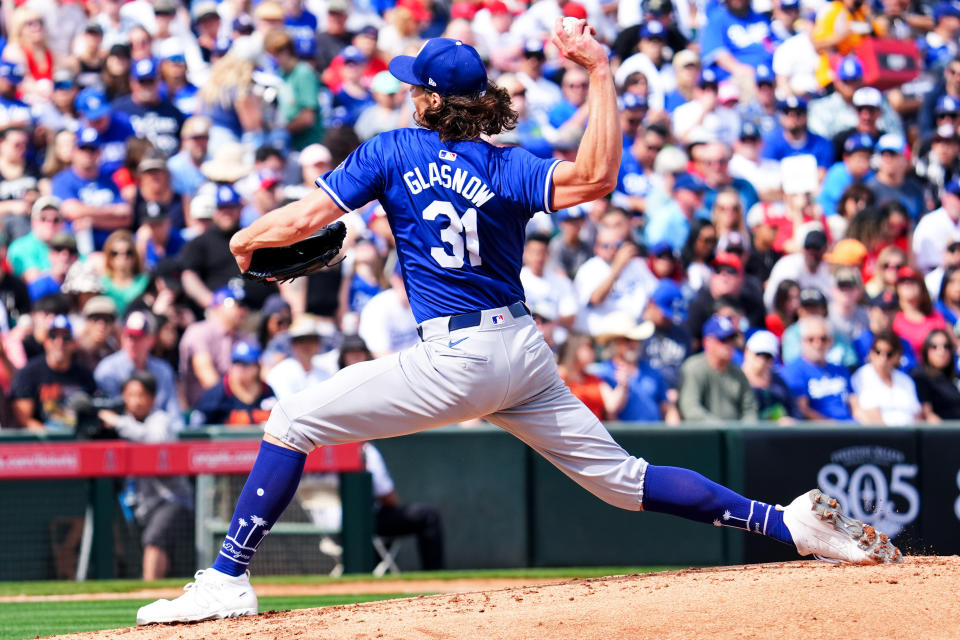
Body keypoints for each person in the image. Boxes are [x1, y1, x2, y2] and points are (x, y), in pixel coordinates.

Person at [136, 27, 900, 626]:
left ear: (434, 100)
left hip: (455, 358)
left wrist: (242, 242)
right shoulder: (507, 165)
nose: (406, 94)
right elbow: (599, 176)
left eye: (414, 87)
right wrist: (601, 72)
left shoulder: (393, 150)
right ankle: (793, 524)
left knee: (293, 417)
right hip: (521, 353)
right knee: (624, 482)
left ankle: (227, 579)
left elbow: (304, 218)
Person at [98, 371, 194, 580]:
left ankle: (147, 592)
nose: (136, 401)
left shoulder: (160, 419)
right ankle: (157, 590)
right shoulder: (123, 420)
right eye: (130, 395)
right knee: (156, 546)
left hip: (171, 498)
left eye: (141, 395)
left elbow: (156, 440)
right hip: (140, 502)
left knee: (153, 540)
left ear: (152, 397)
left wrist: (118, 423)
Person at [9, 314, 96, 431]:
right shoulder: (28, 374)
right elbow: (23, 419)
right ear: (45, 341)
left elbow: (93, 412)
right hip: (41, 443)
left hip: (77, 440)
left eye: (66, 337)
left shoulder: (84, 374)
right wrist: (52, 437)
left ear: (74, 343)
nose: (59, 342)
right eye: (53, 336)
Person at [678, 314, 758, 421]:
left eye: (731, 339)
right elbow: (691, 409)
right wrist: (721, 428)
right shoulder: (694, 368)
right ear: (707, 342)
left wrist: (743, 430)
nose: (728, 344)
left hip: (735, 435)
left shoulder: (738, 372)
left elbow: (750, 409)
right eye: (722, 339)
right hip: (705, 435)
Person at [781, 316, 862, 422]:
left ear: (830, 341)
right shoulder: (793, 370)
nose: (817, 344)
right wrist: (830, 426)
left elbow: (855, 405)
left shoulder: (839, 369)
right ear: (802, 341)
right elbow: (802, 409)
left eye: (823, 339)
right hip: (820, 433)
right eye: (811, 339)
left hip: (851, 428)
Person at [192, 342, 278, 426]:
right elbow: (197, 425)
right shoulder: (219, 393)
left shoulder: (266, 391)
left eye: (245, 364)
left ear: (256, 367)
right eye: (235, 362)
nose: (239, 368)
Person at [851, 331, 923, 426]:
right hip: (879, 437)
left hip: (909, 436)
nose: (883, 358)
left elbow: (917, 414)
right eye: (878, 352)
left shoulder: (906, 380)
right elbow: (870, 415)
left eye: (889, 354)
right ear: (871, 352)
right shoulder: (862, 376)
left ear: (897, 355)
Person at [742, 330, 798, 423]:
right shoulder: (736, 380)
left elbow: (793, 409)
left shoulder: (778, 381)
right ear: (747, 351)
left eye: (768, 356)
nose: (762, 360)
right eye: (758, 354)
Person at [911, 328, 960, 422]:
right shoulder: (920, 376)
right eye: (934, 346)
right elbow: (927, 414)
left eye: (946, 346)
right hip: (941, 433)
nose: (941, 351)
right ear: (926, 350)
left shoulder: (954, 377)